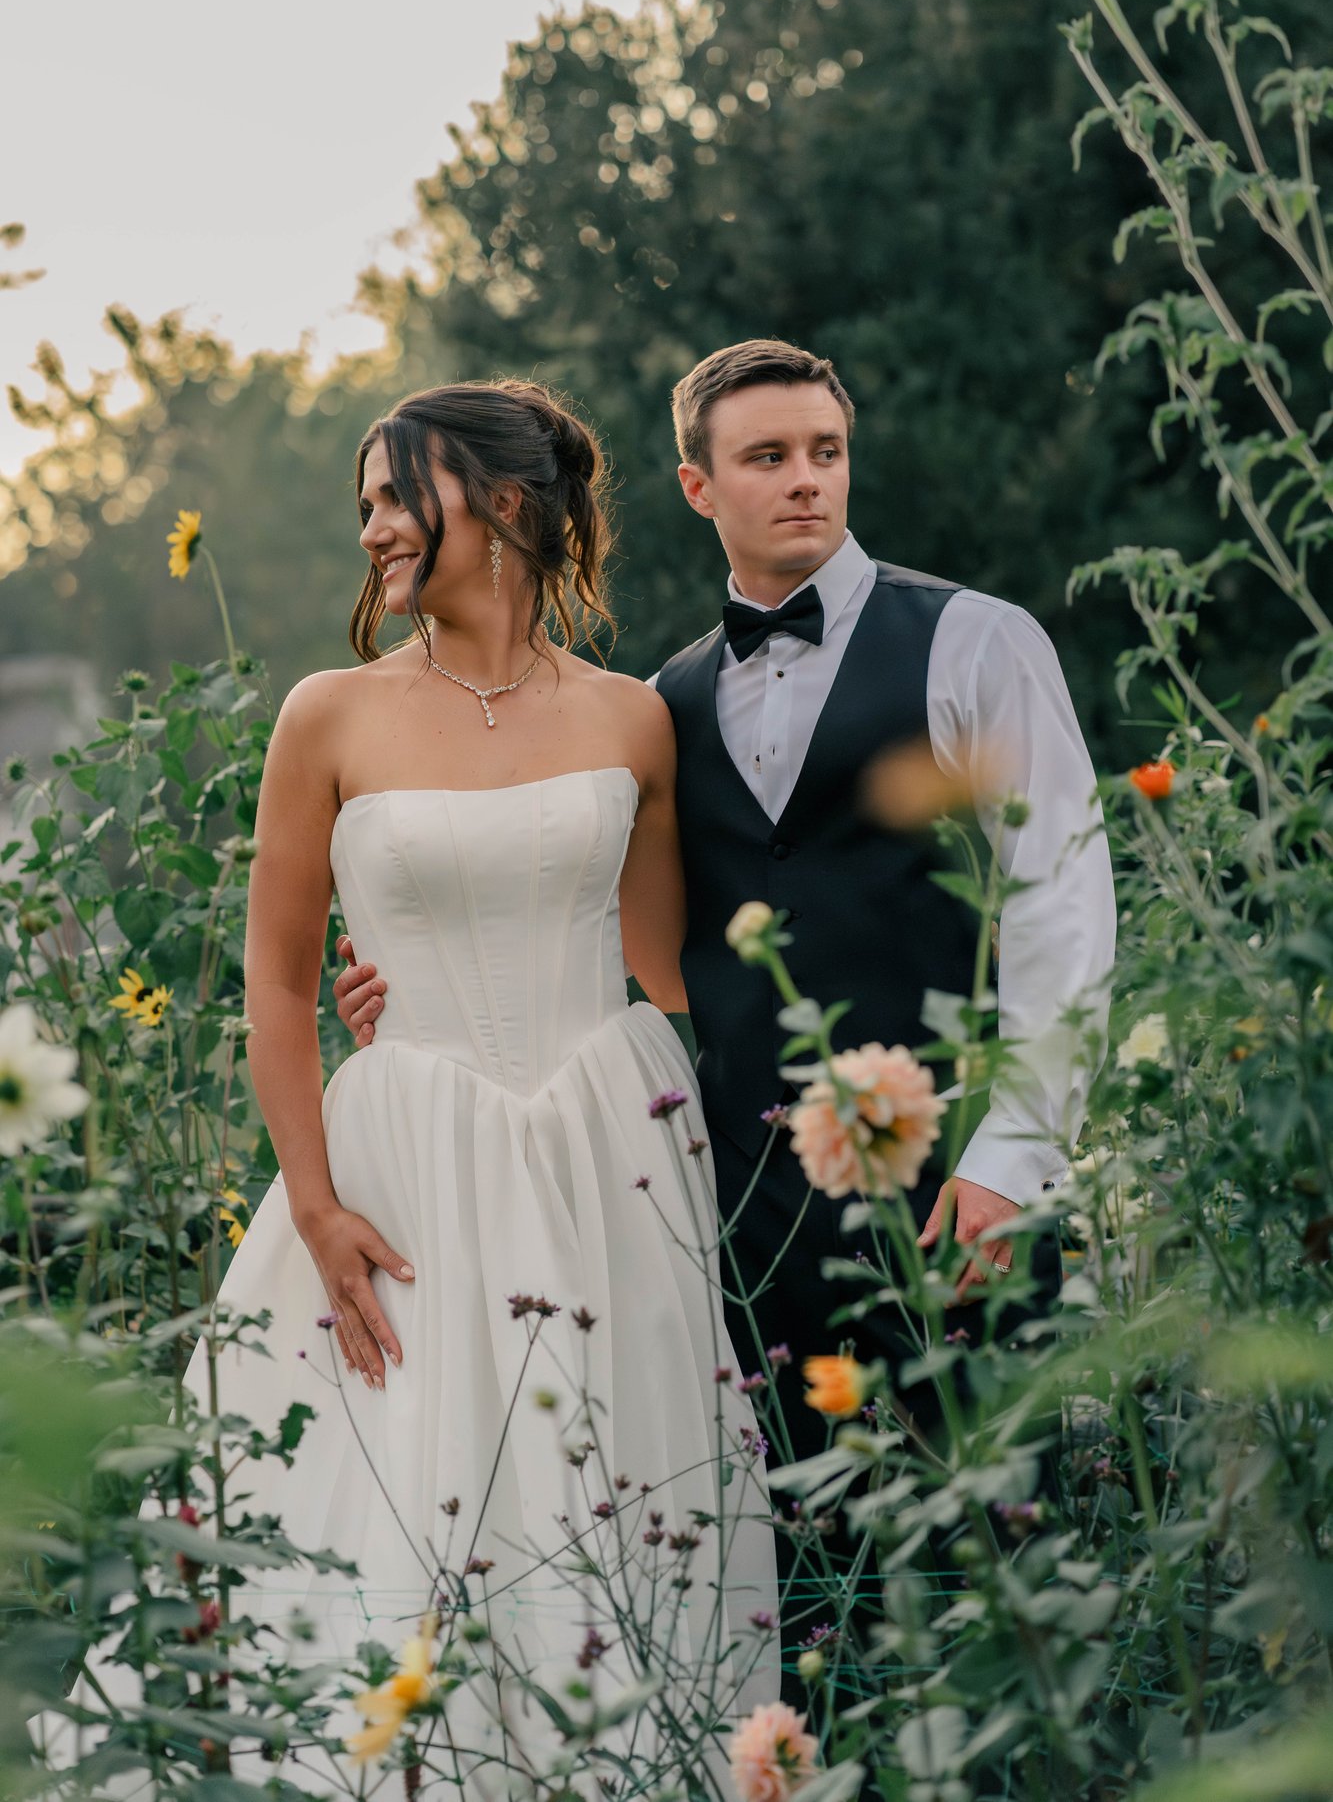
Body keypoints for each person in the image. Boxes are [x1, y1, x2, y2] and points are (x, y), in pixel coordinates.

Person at [334, 343, 1116, 1683]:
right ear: (699, 485)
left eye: (824, 451)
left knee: (1001, 1570)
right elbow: (636, 938)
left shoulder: (977, 640)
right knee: (801, 1587)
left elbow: (1063, 907)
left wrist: (1012, 1157)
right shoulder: (658, 706)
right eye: (767, 458)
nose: (804, 481)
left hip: (960, 1192)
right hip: (746, 1215)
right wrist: (427, 979)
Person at [48, 381, 777, 1797]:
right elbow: (274, 982)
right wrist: (316, 1210)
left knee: (621, 1488)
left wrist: (754, 1139)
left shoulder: (633, 722)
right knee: (408, 1503)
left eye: (396, 493)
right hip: (404, 1163)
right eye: (364, 501)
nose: (374, 525)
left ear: (504, 503)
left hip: (605, 1153)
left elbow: (662, 964)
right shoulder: (329, 716)